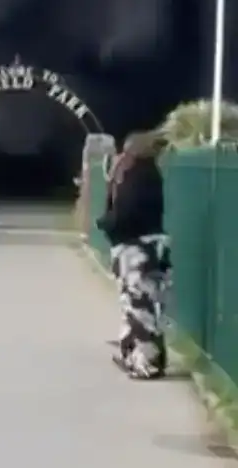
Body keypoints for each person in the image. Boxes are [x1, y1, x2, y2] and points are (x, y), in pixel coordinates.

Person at [96, 130, 171, 380]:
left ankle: (145, 363)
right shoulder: (148, 174)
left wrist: (107, 223)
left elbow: (126, 213)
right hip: (147, 246)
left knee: (139, 305)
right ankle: (136, 355)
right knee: (143, 304)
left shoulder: (137, 176)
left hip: (136, 248)